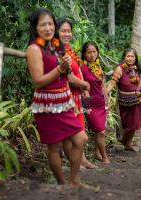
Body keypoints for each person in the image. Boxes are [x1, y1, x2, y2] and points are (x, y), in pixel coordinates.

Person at [25, 8, 88, 187]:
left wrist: (65, 67)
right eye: (42, 24)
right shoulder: (34, 49)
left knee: (81, 139)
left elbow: (64, 76)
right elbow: (38, 81)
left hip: (64, 102)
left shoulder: (54, 45)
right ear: (35, 28)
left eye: (50, 24)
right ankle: (62, 184)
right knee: (55, 146)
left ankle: (74, 180)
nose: (47, 28)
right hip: (46, 104)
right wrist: (59, 69)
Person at [56, 18, 97, 169]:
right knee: (71, 131)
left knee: (80, 126)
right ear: (56, 32)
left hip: (76, 95)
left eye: (68, 31)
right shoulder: (58, 50)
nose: (67, 33)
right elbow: (68, 77)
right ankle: (75, 161)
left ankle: (82, 159)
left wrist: (83, 88)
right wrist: (85, 84)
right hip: (66, 94)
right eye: (63, 30)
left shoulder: (69, 49)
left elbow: (77, 71)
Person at [106, 48, 141, 151]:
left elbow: (139, 84)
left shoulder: (136, 68)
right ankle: (124, 141)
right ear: (124, 57)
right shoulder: (120, 69)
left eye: (132, 56)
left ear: (135, 58)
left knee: (135, 124)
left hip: (136, 99)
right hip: (125, 101)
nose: (130, 58)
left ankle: (127, 143)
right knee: (128, 124)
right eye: (128, 56)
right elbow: (112, 82)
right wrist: (105, 93)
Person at [80, 41, 110, 164]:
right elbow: (79, 84)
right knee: (100, 130)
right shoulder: (82, 68)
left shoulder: (98, 67)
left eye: (94, 52)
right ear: (84, 54)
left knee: (100, 130)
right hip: (88, 102)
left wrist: (107, 101)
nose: (92, 55)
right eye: (89, 52)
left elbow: (102, 85)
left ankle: (97, 152)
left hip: (100, 102)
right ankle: (104, 156)